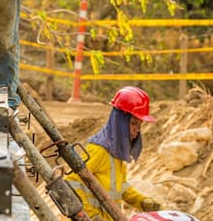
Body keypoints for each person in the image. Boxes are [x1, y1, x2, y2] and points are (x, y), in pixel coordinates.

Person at [65, 86, 161, 219]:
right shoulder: (99, 150)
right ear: (120, 122)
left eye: (140, 124)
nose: (137, 130)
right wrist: (90, 216)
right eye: (133, 123)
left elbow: (121, 187)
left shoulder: (116, 153)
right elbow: (71, 182)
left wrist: (142, 202)